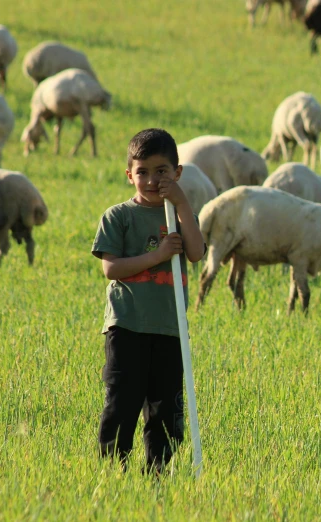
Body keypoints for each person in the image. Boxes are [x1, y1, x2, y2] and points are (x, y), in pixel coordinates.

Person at [91, 128, 205, 473]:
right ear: (130, 175)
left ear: (177, 174)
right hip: (127, 325)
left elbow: (197, 253)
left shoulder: (180, 216)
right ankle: (113, 469)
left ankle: (158, 472)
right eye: (142, 172)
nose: (152, 180)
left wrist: (183, 203)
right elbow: (110, 268)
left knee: (166, 407)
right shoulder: (118, 217)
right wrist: (159, 256)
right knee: (123, 400)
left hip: (170, 328)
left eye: (162, 172)